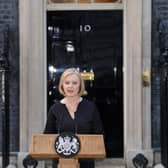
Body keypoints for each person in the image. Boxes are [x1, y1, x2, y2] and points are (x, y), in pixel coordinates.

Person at [44, 68, 104, 168]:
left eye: (74, 83)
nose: (70, 86)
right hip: (61, 163)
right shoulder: (55, 109)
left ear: (80, 85)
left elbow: (99, 134)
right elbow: (47, 136)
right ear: (62, 85)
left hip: (86, 163)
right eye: (67, 83)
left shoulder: (90, 107)